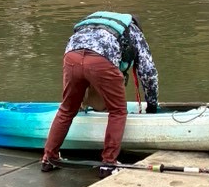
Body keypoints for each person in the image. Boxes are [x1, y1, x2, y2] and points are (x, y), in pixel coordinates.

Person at [41, 11, 159, 174]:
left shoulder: (96, 21)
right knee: (118, 111)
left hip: (72, 56)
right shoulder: (133, 31)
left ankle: (49, 158)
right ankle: (108, 164)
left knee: (67, 108)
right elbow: (148, 72)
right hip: (100, 60)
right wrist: (152, 105)